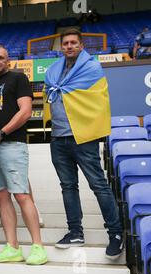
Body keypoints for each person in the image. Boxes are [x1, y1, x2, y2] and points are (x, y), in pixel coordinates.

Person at [43, 29, 123, 259]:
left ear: (81, 45)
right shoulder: (53, 71)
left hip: (83, 137)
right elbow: (53, 93)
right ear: (61, 47)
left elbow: (97, 98)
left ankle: (115, 234)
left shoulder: (92, 68)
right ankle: (75, 231)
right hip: (58, 137)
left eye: (73, 43)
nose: (68, 46)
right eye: (65, 43)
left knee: (98, 185)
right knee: (68, 186)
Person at [0, 44, 47, 265]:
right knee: (1, 198)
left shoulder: (18, 79)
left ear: (7, 60)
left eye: (1, 57)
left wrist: (1, 133)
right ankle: (12, 247)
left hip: (11, 144)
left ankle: (38, 246)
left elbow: (26, 111)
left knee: (21, 195)